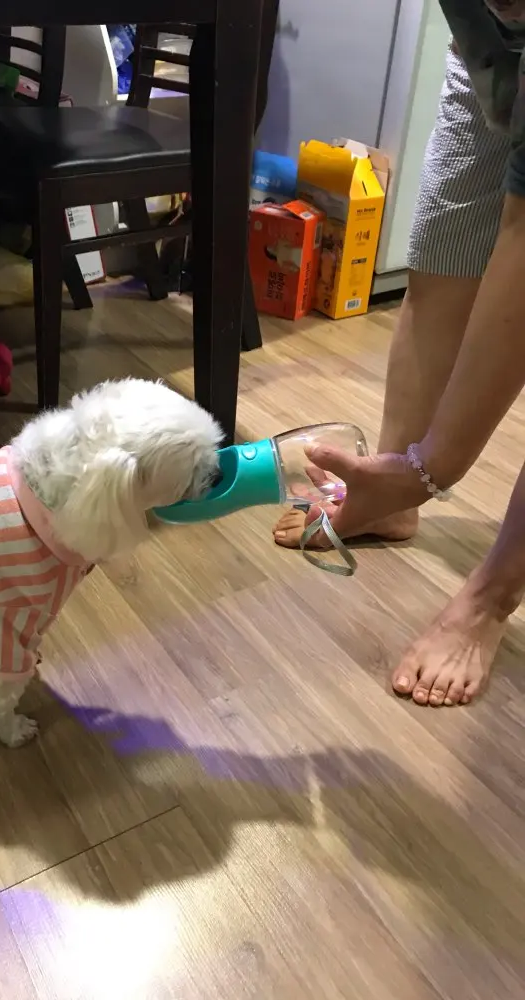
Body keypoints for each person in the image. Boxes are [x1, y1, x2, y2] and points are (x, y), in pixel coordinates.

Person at [274, 2, 525, 709]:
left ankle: (492, 594)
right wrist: (405, 472)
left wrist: (429, 470)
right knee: (445, 245)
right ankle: (386, 498)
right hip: (487, 47)